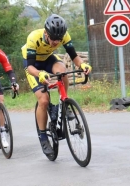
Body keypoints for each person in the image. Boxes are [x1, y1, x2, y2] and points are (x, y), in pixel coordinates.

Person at [21, 14, 92, 155]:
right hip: (32, 64)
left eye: (59, 39)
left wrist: (83, 64)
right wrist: (39, 74)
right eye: (53, 38)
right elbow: (30, 67)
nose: (56, 42)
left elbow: (74, 56)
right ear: (46, 33)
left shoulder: (64, 36)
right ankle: (43, 136)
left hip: (47, 59)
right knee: (44, 100)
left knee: (62, 71)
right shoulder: (33, 38)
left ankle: (63, 102)